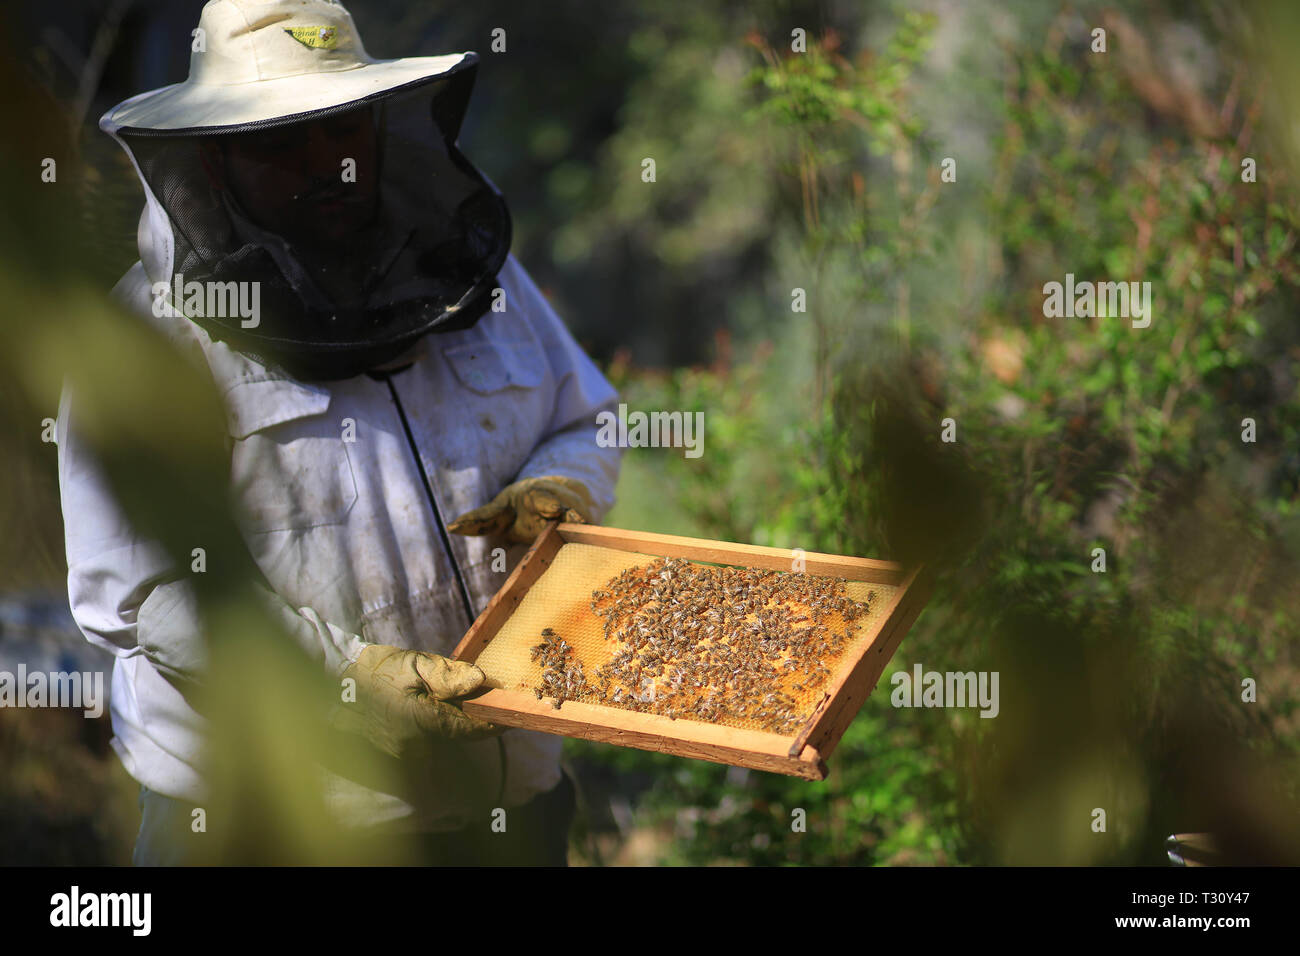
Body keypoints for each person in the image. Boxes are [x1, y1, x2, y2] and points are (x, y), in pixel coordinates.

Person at [57, 0, 621, 864]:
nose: (328, 165)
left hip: (506, 809)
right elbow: (137, 592)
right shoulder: (149, 340)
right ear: (212, 161)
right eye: (282, 141)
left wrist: (563, 484)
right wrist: (347, 682)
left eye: (343, 128)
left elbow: (587, 416)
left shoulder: (475, 276)